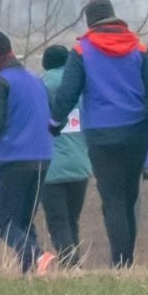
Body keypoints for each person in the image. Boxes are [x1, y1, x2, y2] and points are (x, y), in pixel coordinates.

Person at [51, 0, 148, 266]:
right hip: (136, 132)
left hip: (101, 136)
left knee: (113, 200)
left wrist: (54, 123)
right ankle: (126, 260)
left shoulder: (82, 51)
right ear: (114, 17)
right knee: (129, 198)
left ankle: (120, 262)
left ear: (90, 23)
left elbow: (67, 94)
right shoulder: (139, 48)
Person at [0, 31, 52, 273]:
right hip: (43, 157)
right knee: (25, 222)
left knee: (5, 223)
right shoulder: (35, 80)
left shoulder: (0, 83)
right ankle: (30, 272)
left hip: (13, 159)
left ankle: (37, 256)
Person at [38, 45, 92, 271]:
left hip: (51, 168)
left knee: (57, 221)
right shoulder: (82, 86)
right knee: (72, 220)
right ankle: (74, 264)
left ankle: (70, 265)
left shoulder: (40, 86)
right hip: (81, 165)